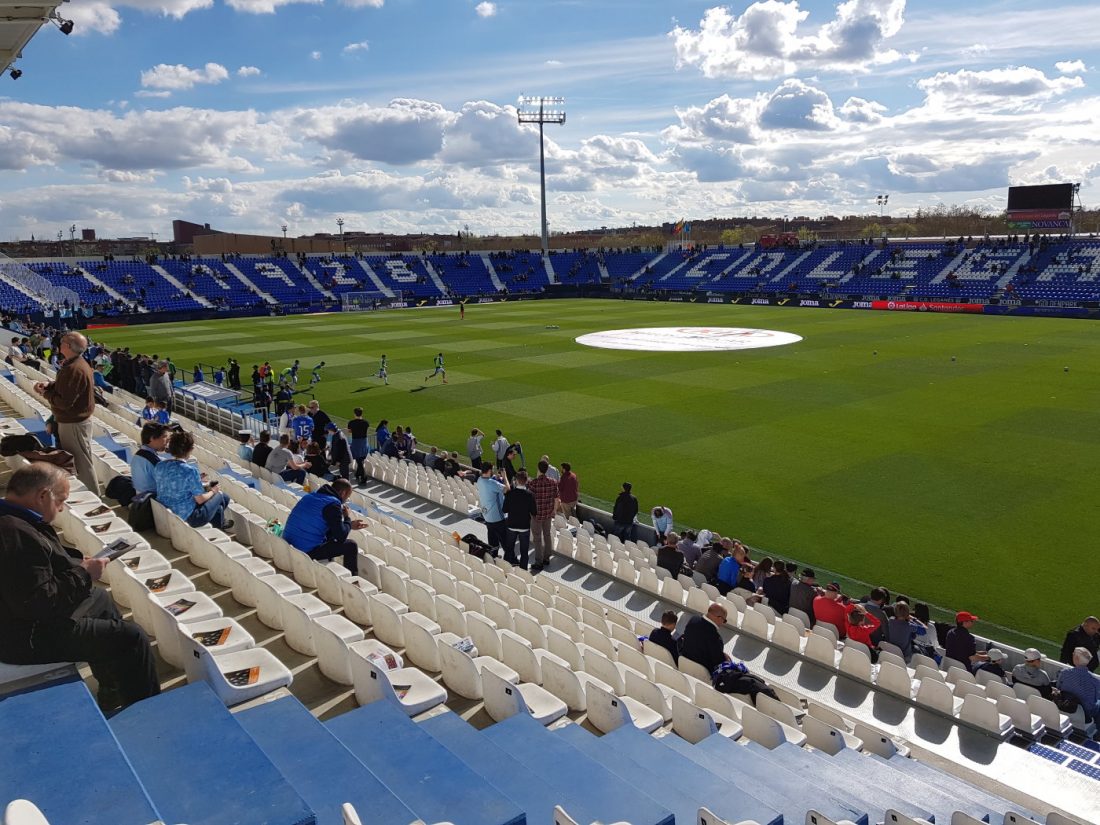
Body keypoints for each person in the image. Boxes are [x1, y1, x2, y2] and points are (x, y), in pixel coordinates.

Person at [0, 463, 159, 711]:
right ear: (43, 496)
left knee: (99, 599)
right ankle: (148, 713)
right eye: (60, 500)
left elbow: (35, 573)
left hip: (21, 619)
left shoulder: (14, 520)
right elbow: (38, 604)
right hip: (26, 637)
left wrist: (76, 567)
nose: (62, 508)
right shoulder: (14, 533)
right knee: (132, 638)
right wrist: (84, 573)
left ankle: (112, 687)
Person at [33, 331, 98, 491]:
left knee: (81, 462)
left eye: (62, 342)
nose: (59, 343)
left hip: (73, 423)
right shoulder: (75, 364)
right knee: (79, 460)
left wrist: (45, 393)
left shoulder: (74, 368)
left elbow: (64, 402)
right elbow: (67, 387)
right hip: (72, 422)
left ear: (68, 346)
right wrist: (50, 385)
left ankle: (94, 496)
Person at [282, 477, 365, 574]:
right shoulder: (333, 504)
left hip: (288, 543)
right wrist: (347, 519)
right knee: (351, 545)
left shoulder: (309, 496)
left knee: (329, 535)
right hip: (305, 551)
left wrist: (348, 525)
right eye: (348, 496)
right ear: (343, 493)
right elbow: (341, 537)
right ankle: (353, 581)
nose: (346, 500)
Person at [153, 430, 233, 529]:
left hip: (166, 511)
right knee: (222, 496)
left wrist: (197, 479)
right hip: (189, 517)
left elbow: (174, 481)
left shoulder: (160, 465)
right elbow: (200, 500)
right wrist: (213, 491)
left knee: (219, 506)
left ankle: (220, 523)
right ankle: (219, 525)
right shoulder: (190, 470)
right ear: (191, 449)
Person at [527, 460, 560, 572]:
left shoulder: (533, 483)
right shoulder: (553, 482)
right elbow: (557, 499)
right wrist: (554, 511)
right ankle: (546, 558)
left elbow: (529, 500)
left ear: (538, 469)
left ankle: (538, 562)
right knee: (547, 535)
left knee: (537, 539)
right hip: (548, 514)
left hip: (537, 515)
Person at [679, 603, 731, 673]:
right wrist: (725, 659)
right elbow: (718, 663)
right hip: (701, 674)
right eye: (724, 620)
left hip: (683, 665)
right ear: (719, 618)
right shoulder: (716, 638)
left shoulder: (693, 620)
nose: (723, 623)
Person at [502, 469, 537, 568]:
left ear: (516, 480)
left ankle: (506, 569)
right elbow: (534, 512)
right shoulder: (530, 495)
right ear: (526, 481)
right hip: (524, 527)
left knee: (509, 549)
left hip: (511, 525)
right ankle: (523, 571)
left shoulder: (510, 494)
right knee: (524, 551)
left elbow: (504, 510)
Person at [1055, 648, 1100, 721]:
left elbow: (1058, 687)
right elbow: (1094, 701)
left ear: (1076, 658)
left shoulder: (1064, 673)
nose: (1072, 655)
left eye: (1073, 654)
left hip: (1064, 706)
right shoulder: (1095, 681)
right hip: (1085, 714)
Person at [476, 462, 509, 558]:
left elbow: (490, 484)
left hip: (487, 516)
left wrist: (496, 479)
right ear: (489, 471)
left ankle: (493, 556)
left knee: (492, 538)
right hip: (497, 517)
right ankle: (511, 559)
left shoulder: (479, 480)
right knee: (504, 540)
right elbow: (507, 489)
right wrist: (505, 476)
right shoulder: (492, 483)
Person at [130, 422, 169, 496]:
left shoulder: (137, 455)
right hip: (154, 501)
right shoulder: (154, 462)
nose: (168, 440)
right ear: (152, 438)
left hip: (141, 500)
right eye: (164, 436)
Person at [348, 408, 371, 484]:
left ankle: (364, 477)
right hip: (364, 442)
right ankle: (358, 474)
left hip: (356, 442)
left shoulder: (351, 423)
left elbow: (349, 431)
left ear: (354, 414)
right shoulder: (366, 423)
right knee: (361, 459)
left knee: (359, 460)